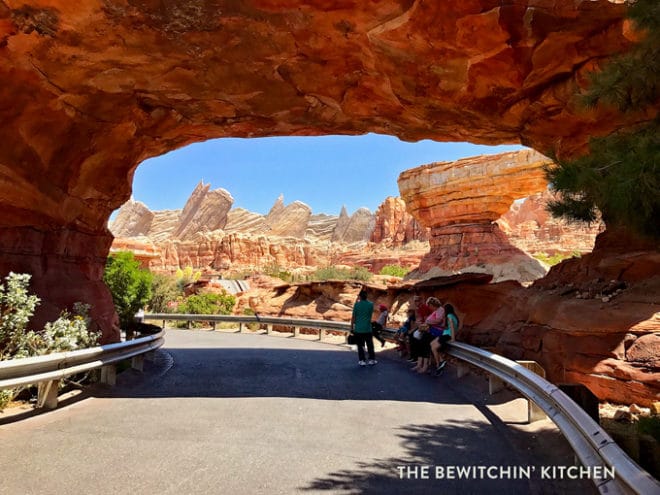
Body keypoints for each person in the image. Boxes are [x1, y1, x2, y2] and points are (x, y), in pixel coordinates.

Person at [412, 297, 444, 374]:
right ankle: (419, 364)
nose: (429, 308)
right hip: (430, 330)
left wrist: (428, 322)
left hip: (436, 331)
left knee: (425, 344)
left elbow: (439, 321)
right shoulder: (435, 311)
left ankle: (425, 366)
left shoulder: (441, 310)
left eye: (429, 306)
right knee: (421, 343)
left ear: (433, 304)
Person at [350, 290, 377, 366]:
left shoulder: (356, 305)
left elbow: (353, 317)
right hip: (368, 328)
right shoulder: (371, 304)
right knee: (370, 345)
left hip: (358, 329)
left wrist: (351, 327)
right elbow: (369, 315)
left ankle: (362, 360)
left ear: (360, 296)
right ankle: (372, 359)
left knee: (360, 345)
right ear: (366, 296)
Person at [431, 303, 459, 375]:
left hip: (447, 335)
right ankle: (441, 361)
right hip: (446, 334)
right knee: (432, 344)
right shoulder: (454, 316)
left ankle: (439, 365)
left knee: (434, 348)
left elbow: (452, 327)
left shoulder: (449, 316)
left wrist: (453, 339)